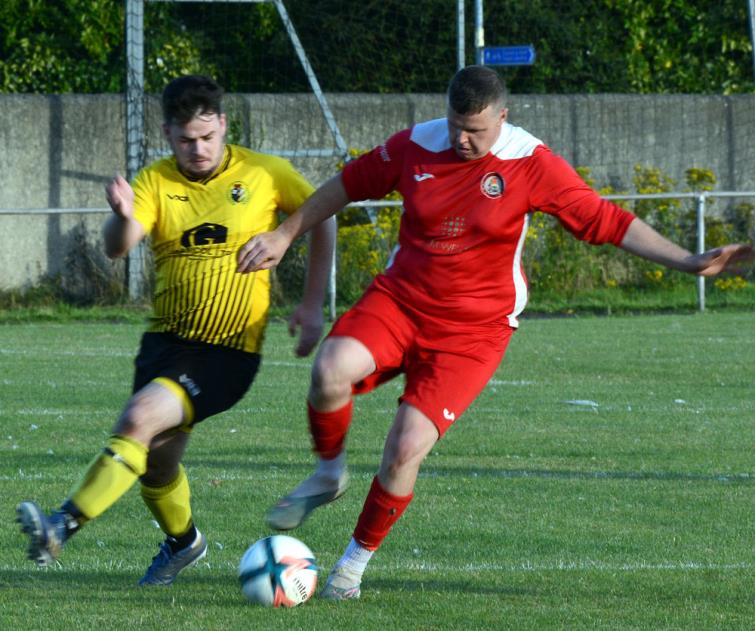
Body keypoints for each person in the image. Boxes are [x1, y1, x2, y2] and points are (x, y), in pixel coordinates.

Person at [236, 65, 753, 600]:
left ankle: (351, 567)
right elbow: (345, 186)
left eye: (475, 130)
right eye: (455, 123)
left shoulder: (530, 162)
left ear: (502, 118)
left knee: (406, 446)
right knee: (328, 370)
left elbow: (605, 220)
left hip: (474, 329)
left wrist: (689, 261)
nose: (461, 138)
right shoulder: (415, 145)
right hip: (401, 301)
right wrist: (284, 234)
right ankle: (328, 474)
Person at [16, 75, 335, 586]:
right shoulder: (155, 181)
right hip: (165, 344)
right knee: (157, 466)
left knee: (138, 418)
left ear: (223, 124)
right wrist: (121, 216)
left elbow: (323, 216)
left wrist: (313, 303)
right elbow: (118, 247)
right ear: (167, 133)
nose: (199, 149)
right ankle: (184, 543)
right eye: (186, 140)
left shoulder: (264, 173)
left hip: (228, 351)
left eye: (208, 137)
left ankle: (60, 525)